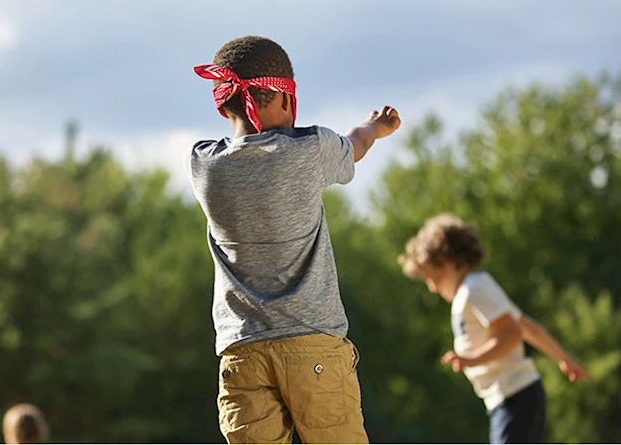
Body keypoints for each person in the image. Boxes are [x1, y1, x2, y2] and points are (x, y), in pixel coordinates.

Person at [186, 35, 401, 444]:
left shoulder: (202, 165)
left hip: (242, 350)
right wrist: (377, 126)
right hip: (312, 342)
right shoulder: (309, 149)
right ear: (286, 99)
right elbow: (355, 143)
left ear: (222, 103)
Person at [398, 213, 591, 444]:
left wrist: (471, 360)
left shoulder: (473, 291)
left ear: (444, 260)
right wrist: (564, 359)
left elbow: (512, 334)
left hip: (514, 396)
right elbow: (525, 326)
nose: (432, 288)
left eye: (431, 278)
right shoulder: (477, 287)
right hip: (514, 398)